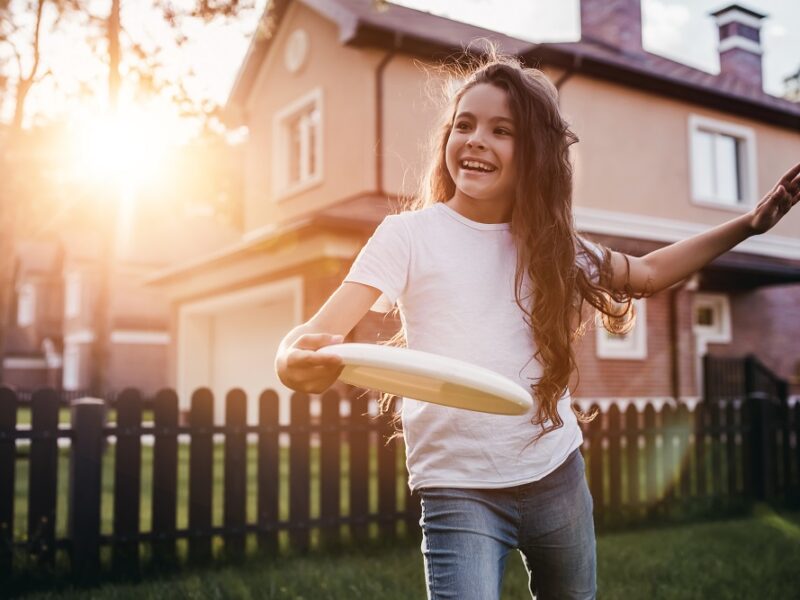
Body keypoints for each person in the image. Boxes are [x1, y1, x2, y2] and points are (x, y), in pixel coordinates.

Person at [275, 51, 799, 600]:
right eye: (465, 124)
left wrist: (748, 225)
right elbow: (312, 339)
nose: (476, 139)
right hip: (457, 487)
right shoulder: (406, 236)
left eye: (502, 130)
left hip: (556, 476)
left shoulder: (553, 247)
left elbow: (645, 274)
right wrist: (295, 360)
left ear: (535, 155)